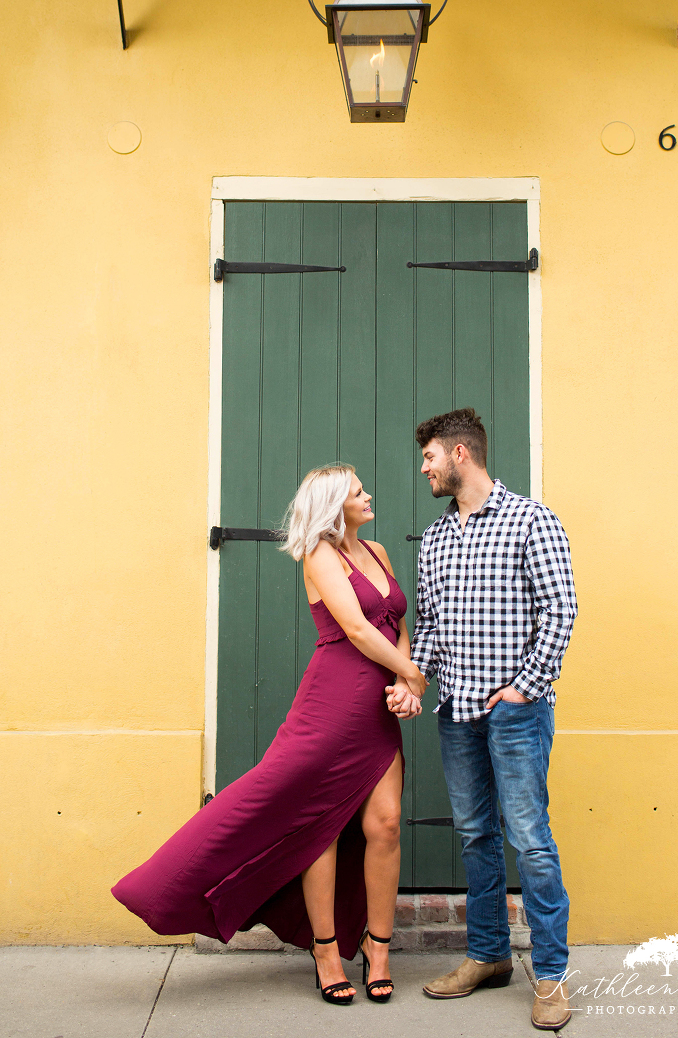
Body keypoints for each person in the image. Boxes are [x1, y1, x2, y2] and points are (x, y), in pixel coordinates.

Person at [112, 465, 425, 1005]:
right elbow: (354, 628)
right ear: (333, 503)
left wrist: (403, 680)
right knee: (317, 830)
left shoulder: (377, 551)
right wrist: (417, 675)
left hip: (378, 711)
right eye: (357, 491)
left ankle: (378, 949)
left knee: (387, 825)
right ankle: (326, 952)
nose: (368, 494)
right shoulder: (320, 554)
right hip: (331, 708)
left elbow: (395, 622)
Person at [387, 409, 577, 1030]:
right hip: (456, 712)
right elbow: (434, 631)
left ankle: (549, 976)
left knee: (530, 841)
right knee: (475, 836)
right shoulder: (437, 538)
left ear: (462, 453)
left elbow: (561, 610)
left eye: (430, 457)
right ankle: (489, 955)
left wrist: (524, 688)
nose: (425, 468)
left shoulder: (531, 520)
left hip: (515, 714)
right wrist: (412, 682)